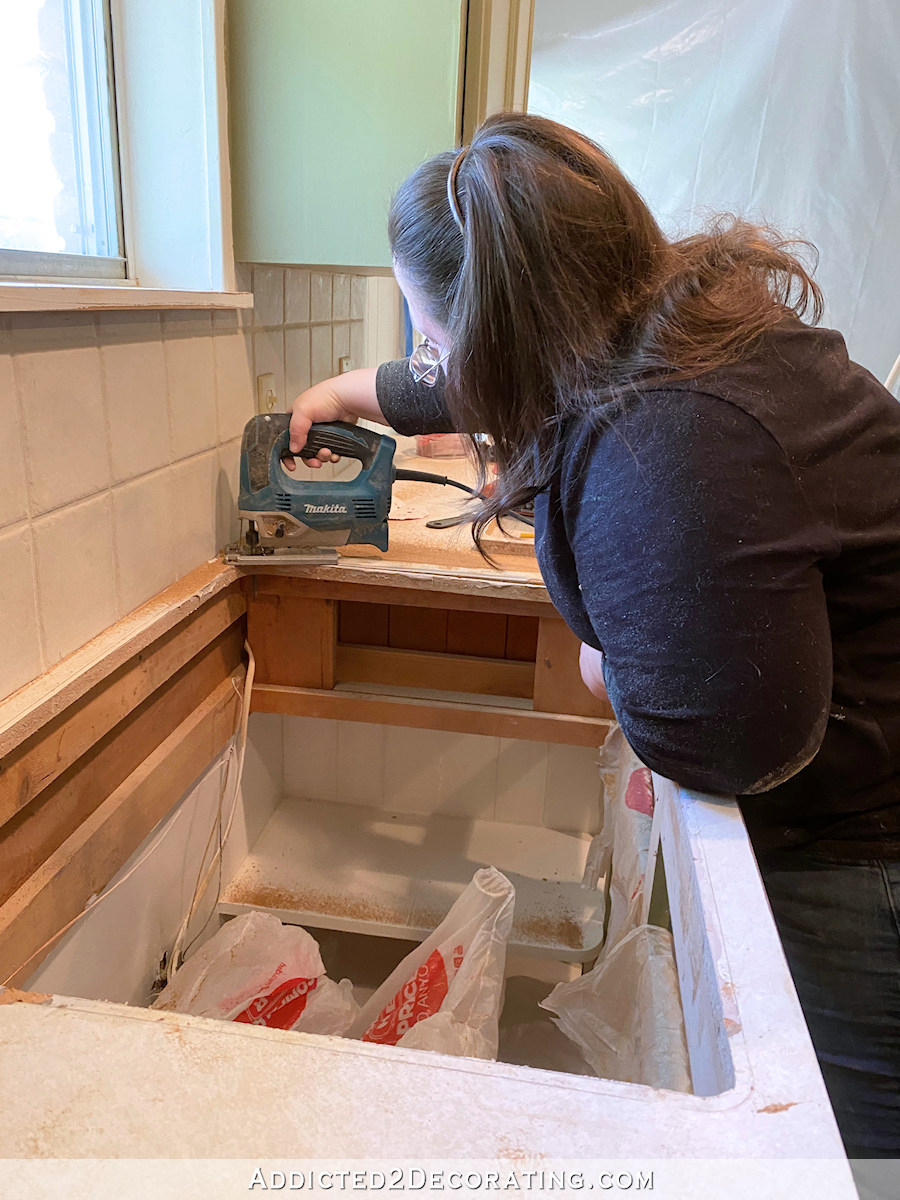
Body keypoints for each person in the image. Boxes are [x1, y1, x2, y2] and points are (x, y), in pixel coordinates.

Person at [289, 112, 900, 1157]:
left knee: (852, 1156)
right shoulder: (654, 320)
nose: (426, 361)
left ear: (503, 324)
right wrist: (341, 393)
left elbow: (728, 741)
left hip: (865, 848)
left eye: (430, 336)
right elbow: (454, 376)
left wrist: (599, 657)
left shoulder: (666, 444)